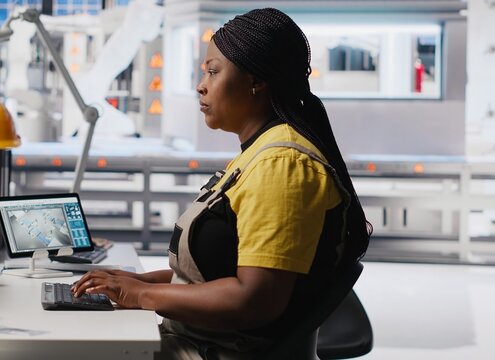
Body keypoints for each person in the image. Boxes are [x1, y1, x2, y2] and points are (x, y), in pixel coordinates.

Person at [72, 8, 372, 359]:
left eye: (214, 72)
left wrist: (139, 295)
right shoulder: (259, 152)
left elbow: (254, 299)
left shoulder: (283, 165)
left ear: (256, 80)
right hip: (201, 341)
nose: (201, 85)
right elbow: (209, 277)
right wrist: (130, 283)